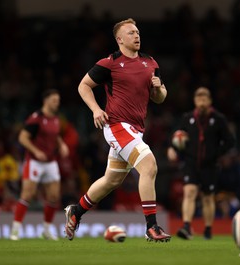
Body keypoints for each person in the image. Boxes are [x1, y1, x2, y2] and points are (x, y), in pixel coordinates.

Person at [64, 18, 171, 242]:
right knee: (149, 165)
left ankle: (76, 211)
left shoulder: (150, 63)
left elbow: (159, 98)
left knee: (112, 180)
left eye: (138, 31)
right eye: (131, 33)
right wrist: (95, 110)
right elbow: (83, 85)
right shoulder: (109, 63)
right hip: (116, 125)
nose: (136, 35)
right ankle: (152, 227)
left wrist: (159, 89)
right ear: (120, 39)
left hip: (136, 129)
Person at [167, 87, 235, 240]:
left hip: (210, 165)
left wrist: (217, 153)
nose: (202, 101)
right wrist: (173, 149)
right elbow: (176, 137)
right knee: (189, 192)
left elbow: (230, 141)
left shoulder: (218, 119)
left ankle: (208, 229)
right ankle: (186, 226)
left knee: (207, 197)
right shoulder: (188, 118)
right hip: (191, 163)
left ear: (210, 101)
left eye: (204, 98)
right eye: (199, 98)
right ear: (195, 101)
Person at [10, 89, 69, 240]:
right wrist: (35, 151)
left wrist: (61, 144)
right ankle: (15, 231)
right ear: (46, 101)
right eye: (54, 100)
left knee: (54, 196)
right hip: (34, 161)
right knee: (27, 195)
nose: (57, 103)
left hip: (50, 161)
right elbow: (23, 138)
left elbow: (55, 136)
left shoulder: (56, 119)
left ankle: (46, 230)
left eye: (58, 101)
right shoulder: (36, 119)